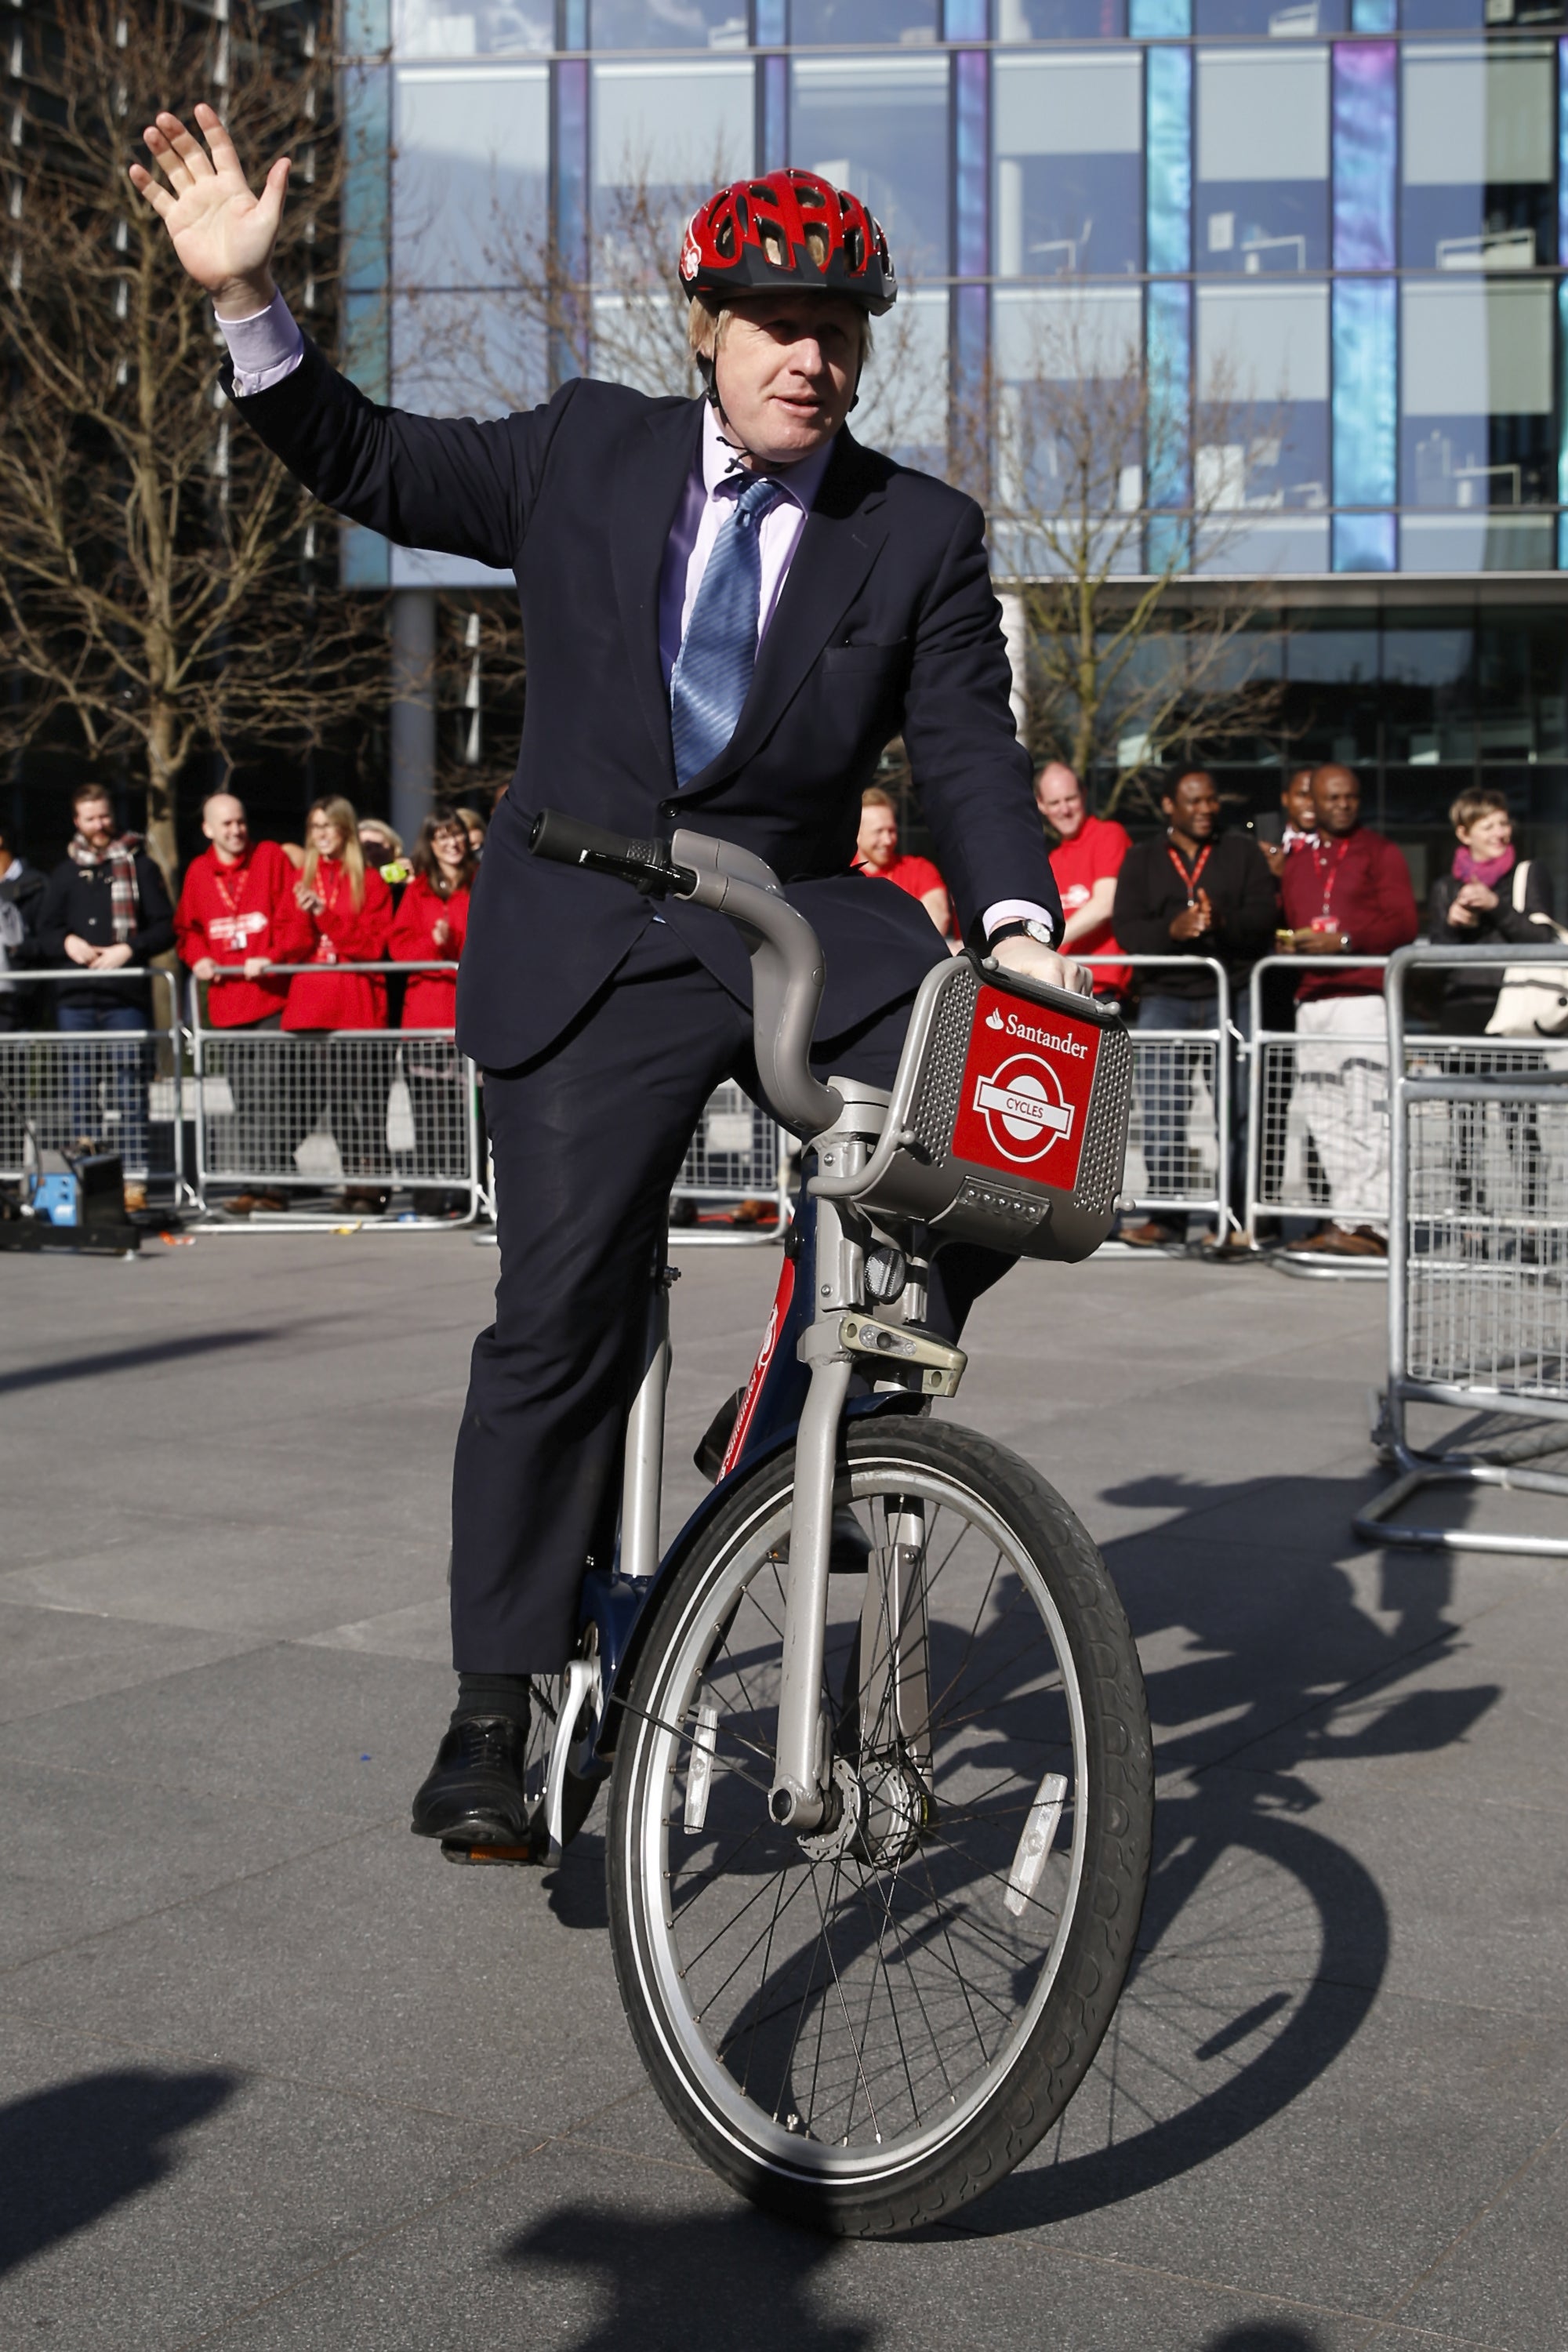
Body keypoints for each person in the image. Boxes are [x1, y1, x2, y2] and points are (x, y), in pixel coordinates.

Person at [133, 114, 1079, 1849]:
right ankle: (495, 1709)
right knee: (557, 1317)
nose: (815, 353)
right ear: (703, 325)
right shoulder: (585, 448)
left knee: (1010, 1084)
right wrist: (249, 296)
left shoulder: (916, 528)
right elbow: (370, 459)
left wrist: (1016, 911)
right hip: (589, 922)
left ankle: (819, 1379)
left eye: (844, 326)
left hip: (790, 912)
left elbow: (962, 738)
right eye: (779, 319)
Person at [1112, 768, 1277, 1247]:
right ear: (1169, 806)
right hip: (1167, 999)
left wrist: (1221, 921)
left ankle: (1241, 1221)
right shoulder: (1142, 858)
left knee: (1241, 1112)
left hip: (1234, 994)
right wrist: (1174, 929)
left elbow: (1264, 917)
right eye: (1195, 801)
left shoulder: (1241, 852)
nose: (1206, 809)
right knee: (1163, 1112)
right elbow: (1127, 929)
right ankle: (1168, 1218)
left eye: (1211, 800)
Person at [1277, 763, 1418, 1257]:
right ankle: (1346, 1220)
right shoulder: (1295, 860)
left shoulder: (1381, 852)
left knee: (1370, 1114)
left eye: (1350, 797)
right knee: (1323, 1115)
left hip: (1363, 999)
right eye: (1332, 797)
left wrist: (1345, 941)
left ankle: (1374, 1223)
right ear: (1312, 799)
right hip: (1313, 1002)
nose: (1341, 805)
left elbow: (1404, 922)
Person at [36, 785, 175, 1212]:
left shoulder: (141, 866)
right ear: (77, 822)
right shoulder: (63, 874)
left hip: (124, 997)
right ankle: (90, 1179)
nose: (100, 825)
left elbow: (166, 927)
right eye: (91, 818)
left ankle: (133, 1181)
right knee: (81, 1092)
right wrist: (68, 942)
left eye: (105, 816)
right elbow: (42, 932)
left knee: (130, 1090)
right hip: (76, 999)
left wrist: (128, 949)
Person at [176, 790, 313, 1214]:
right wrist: (198, 958)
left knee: (273, 1094)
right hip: (228, 1004)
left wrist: (273, 956)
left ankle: (274, 1186)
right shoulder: (199, 871)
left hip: (271, 1000)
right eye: (227, 824)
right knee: (244, 1099)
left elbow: (297, 924)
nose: (236, 830)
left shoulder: (270, 857)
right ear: (208, 829)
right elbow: (188, 929)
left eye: (240, 821)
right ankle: (255, 1182)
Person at [283, 794, 393, 1207]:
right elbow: (291, 947)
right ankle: (352, 1185)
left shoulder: (371, 880)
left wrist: (324, 914)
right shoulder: (303, 877)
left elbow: (369, 946)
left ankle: (373, 1186)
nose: (321, 834)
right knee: (338, 1104)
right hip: (314, 1008)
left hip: (358, 1006)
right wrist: (302, 914)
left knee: (369, 1101)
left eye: (328, 825)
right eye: (315, 827)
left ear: (345, 829)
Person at [389, 806, 476, 1212]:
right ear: (431, 843)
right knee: (428, 1112)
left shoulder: (482, 881)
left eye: (456, 834)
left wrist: (454, 941)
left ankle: (470, 1196)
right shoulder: (418, 888)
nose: (452, 843)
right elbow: (399, 946)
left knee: (470, 1114)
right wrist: (435, 944)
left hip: (472, 1012)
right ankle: (428, 1199)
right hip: (426, 1015)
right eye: (442, 837)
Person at [1426, 786, 1557, 1033]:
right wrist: (1451, 925)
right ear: (1464, 835)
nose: (1500, 833)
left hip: (1517, 1003)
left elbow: (1542, 938)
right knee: (1458, 1071)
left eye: (1504, 824)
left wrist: (1495, 905)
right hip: (1463, 1005)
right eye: (1488, 827)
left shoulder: (1527, 874)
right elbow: (1436, 962)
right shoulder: (1446, 887)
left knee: (1521, 1073)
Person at [1035, 761, 1131, 1003]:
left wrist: (1049, 940)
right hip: (1058, 985)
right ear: (1041, 805)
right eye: (1055, 803)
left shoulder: (1108, 834)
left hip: (1100, 986)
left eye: (1071, 799)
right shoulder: (1050, 859)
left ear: (1084, 795)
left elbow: (1104, 904)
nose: (1064, 810)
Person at [851, 786, 954, 940]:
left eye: (892, 831)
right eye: (878, 832)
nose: (888, 840)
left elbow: (937, 918)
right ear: (858, 834)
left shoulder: (919, 869)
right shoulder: (842, 874)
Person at [0, 820, 47, 1033]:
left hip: (17, 997)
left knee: (12, 1064)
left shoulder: (36, 884)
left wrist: (18, 948)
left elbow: (49, 939)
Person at [1253, 766, 1319, 884]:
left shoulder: (1337, 844)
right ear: (1285, 798)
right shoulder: (1263, 836)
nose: (1310, 803)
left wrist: (1287, 872)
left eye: (1318, 796)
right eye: (1302, 795)